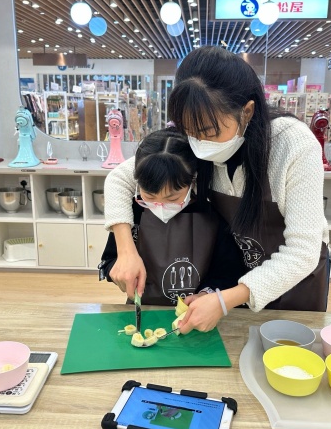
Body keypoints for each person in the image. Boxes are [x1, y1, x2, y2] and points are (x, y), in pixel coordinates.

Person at [104, 46, 330, 333]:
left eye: (209, 133)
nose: (198, 143)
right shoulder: (196, 128)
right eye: (190, 132)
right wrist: (126, 251)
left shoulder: (292, 143)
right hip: (237, 279)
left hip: (297, 281)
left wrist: (224, 301)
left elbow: (303, 252)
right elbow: (120, 179)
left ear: (247, 111)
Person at [99, 127, 244, 305]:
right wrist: (121, 271)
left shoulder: (212, 211)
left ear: (192, 181)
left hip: (200, 309)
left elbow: (228, 271)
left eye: (172, 199)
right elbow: (109, 260)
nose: (160, 206)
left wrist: (206, 294)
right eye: (149, 197)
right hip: (145, 309)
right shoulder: (131, 211)